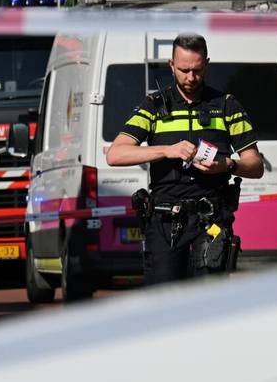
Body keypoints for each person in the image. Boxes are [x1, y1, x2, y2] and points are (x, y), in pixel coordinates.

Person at [106, 33, 264, 284]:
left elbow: (255, 165)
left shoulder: (227, 106)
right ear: (171, 65)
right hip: (165, 220)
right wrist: (167, 150)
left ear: (207, 64)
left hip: (211, 218)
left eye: (197, 70)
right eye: (184, 70)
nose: (191, 77)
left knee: (211, 299)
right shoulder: (154, 106)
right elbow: (115, 154)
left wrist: (227, 164)